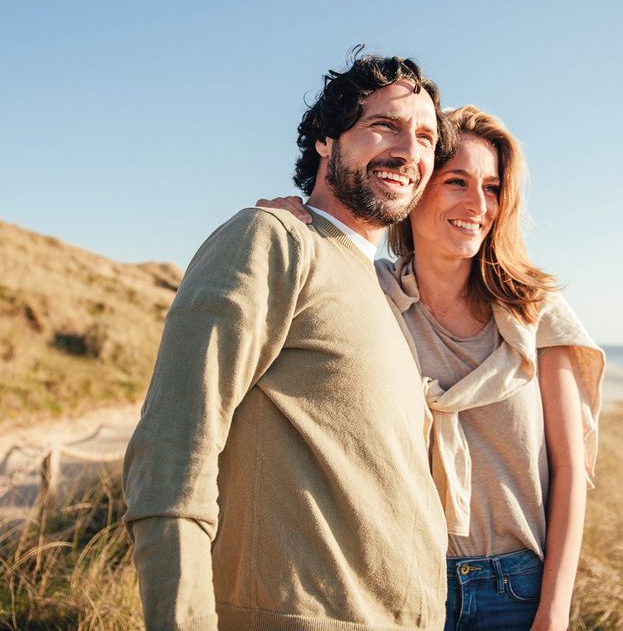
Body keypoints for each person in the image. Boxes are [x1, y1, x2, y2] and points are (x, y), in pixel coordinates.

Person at [122, 49, 455, 631]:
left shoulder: (379, 289)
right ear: (326, 138)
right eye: (385, 125)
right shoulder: (273, 239)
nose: (409, 151)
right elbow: (173, 452)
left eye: (425, 137)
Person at [260, 105, 605, 631]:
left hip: (515, 590)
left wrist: (554, 612)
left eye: (492, 188)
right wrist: (284, 223)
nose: (477, 204)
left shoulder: (536, 312)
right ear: (416, 188)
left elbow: (570, 472)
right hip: (396, 582)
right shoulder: (366, 293)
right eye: (456, 181)